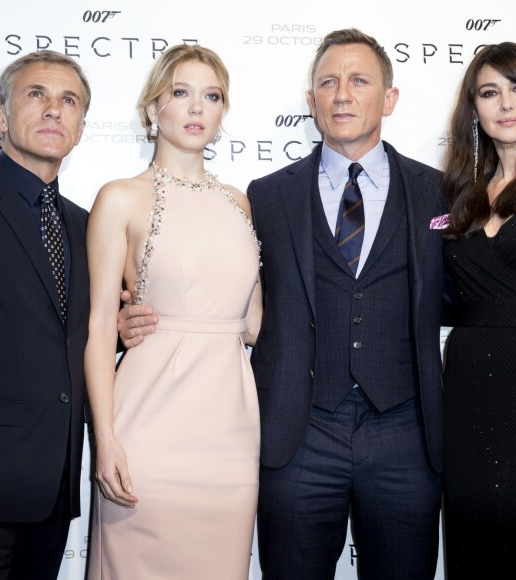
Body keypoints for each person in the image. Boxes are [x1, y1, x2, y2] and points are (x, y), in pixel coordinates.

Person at [120, 27, 446, 579]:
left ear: (389, 98)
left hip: (405, 436)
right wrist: (133, 319)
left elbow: (467, 292)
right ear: (311, 101)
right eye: (328, 82)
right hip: (296, 433)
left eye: (359, 80)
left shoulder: (438, 191)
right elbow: (221, 289)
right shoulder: (264, 196)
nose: (342, 93)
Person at [85, 44, 262, 580]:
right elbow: (97, 330)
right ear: (152, 107)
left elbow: (252, 324)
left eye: (211, 97)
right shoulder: (120, 198)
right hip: (149, 427)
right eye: (180, 93)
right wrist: (106, 437)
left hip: (231, 432)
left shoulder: (239, 201)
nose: (196, 108)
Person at [0, 51, 91, 579]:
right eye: (36, 95)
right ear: (0, 116)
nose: (53, 111)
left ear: (82, 127)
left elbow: (63, 336)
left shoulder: (84, 225)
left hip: (55, 489)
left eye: (69, 101)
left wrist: (119, 331)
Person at [442, 42, 516, 579]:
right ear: (475, 108)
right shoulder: (457, 195)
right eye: (490, 92)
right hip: (468, 390)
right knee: (474, 536)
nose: (505, 103)